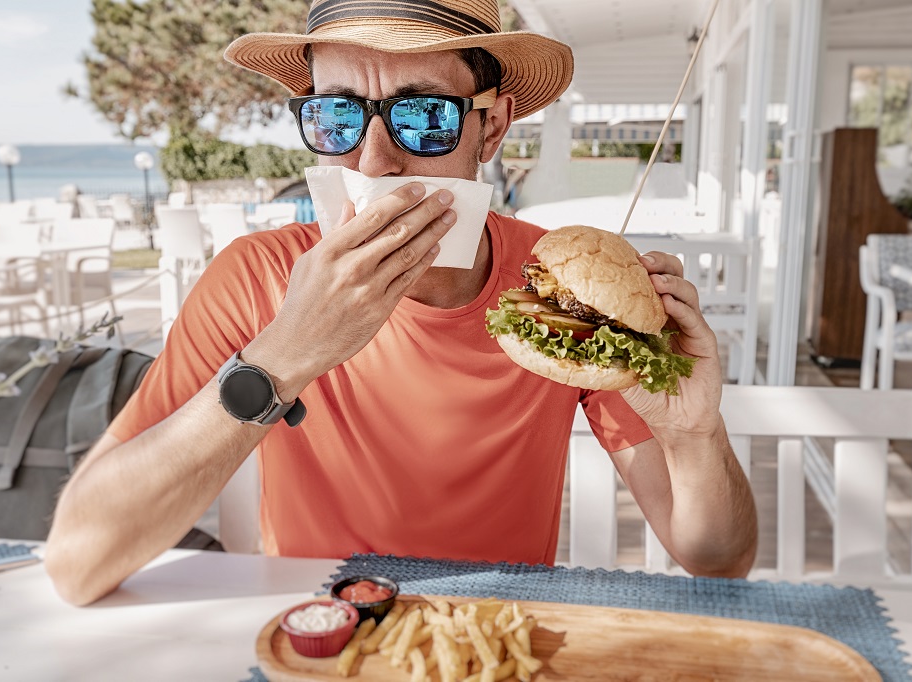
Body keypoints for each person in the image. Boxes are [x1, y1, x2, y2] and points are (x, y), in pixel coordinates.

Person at [46, 0, 757, 606]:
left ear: (492, 127)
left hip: (494, 640)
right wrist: (283, 357)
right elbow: (78, 563)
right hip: (321, 638)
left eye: (423, 116)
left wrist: (695, 435)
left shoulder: (560, 288)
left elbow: (718, 561)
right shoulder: (254, 277)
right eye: (336, 116)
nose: (373, 161)